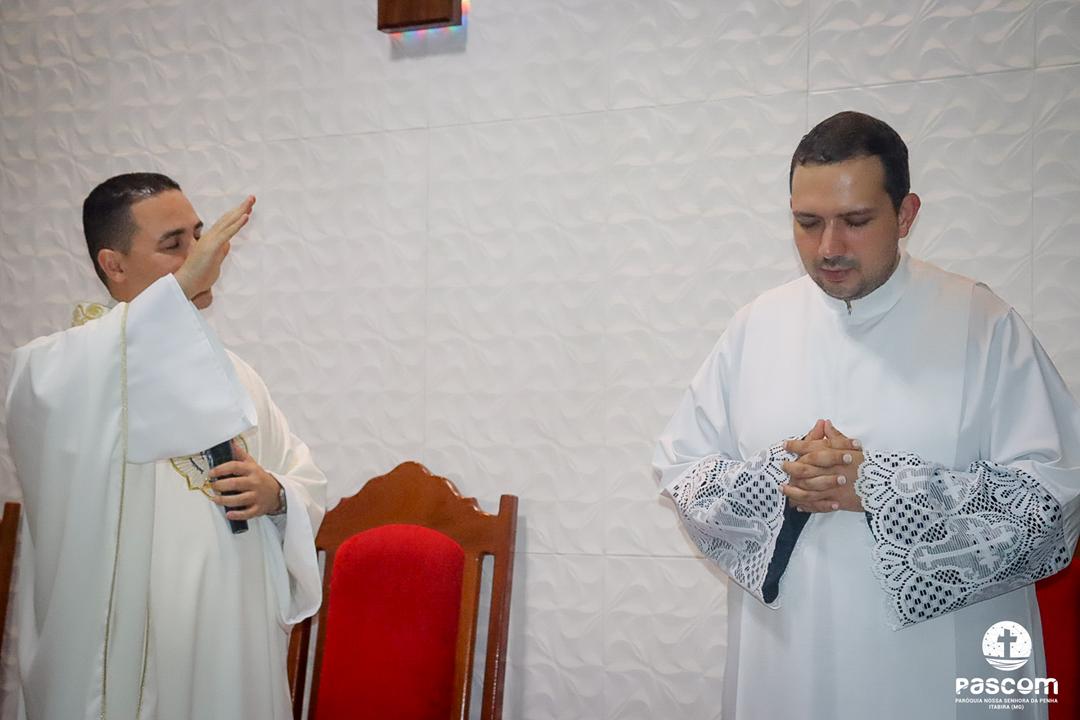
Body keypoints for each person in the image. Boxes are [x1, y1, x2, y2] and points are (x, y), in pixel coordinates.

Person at [652, 111, 1080, 719]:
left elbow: (1055, 499)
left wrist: (882, 489)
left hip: (942, 669)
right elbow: (680, 467)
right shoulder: (755, 327)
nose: (829, 247)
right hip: (785, 661)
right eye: (807, 223)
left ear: (905, 215)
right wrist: (781, 481)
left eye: (855, 222)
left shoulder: (981, 325)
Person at [5, 173, 327, 719]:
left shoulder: (235, 376)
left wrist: (276, 494)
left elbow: (303, 475)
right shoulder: (57, 371)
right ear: (114, 264)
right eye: (174, 244)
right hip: (137, 657)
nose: (200, 257)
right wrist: (177, 292)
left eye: (199, 237)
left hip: (231, 644)